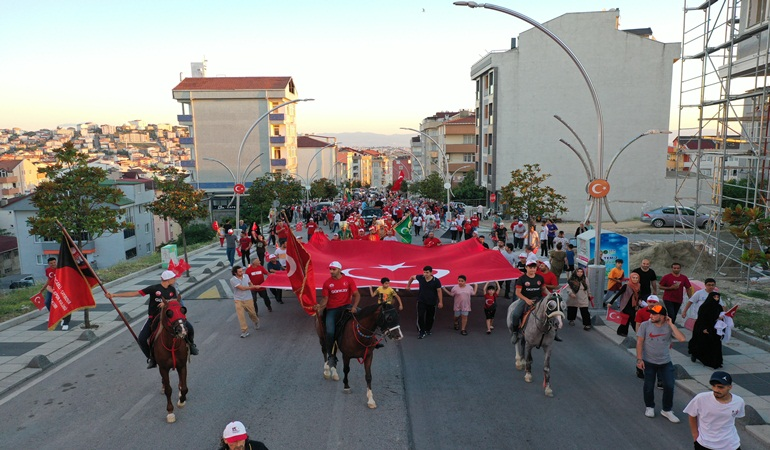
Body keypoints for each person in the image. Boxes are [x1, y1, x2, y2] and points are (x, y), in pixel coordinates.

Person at [106, 270, 198, 368]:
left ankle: (191, 345)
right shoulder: (154, 288)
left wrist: (167, 302)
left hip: (169, 318)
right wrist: (114, 295)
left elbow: (176, 301)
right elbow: (135, 293)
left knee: (190, 328)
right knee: (141, 339)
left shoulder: (172, 289)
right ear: (167, 279)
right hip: (154, 318)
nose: (175, 279)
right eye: (173, 278)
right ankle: (151, 358)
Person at [636, 303, 686, 423]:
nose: (651, 316)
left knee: (669, 385)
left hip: (665, 362)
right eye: (651, 313)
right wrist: (639, 359)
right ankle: (650, 407)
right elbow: (639, 342)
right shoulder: (645, 325)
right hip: (649, 362)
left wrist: (671, 324)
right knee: (648, 386)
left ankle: (667, 410)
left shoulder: (668, 327)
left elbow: (682, 339)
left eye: (655, 314)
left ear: (663, 316)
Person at [683, 371, 745, 450]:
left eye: (720, 387)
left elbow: (736, 416)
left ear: (730, 387)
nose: (716, 389)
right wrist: (695, 434)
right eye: (714, 386)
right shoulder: (701, 398)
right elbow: (692, 415)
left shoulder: (739, 401)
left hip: (731, 444)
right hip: (705, 444)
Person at [313, 261, 361, 361]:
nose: (331, 271)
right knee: (330, 332)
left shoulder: (348, 280)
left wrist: (355, 307)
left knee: (366, 315)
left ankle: (373, 341)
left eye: (334, 269)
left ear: (340, 269)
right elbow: (325, 299)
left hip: (347, 306)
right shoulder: (327, 283)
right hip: (333, 310)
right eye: (330, 269)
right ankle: (331, 355)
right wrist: (319, 306)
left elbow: (357, 294)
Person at [509, 255, 549, 342]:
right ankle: (515, 332)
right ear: (526, 267)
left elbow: (544, 289)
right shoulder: (522, 279)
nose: (532, 269)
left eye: (534, 267)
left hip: (539, 299)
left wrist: (551, 295)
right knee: (515, 314)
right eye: (530, 267)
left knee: (552, 312)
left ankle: (553, 333)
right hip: (525, 300)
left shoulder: (540, 278)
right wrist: (526, 300)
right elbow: (517, 293)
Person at [688, 292, 726, 369]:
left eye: (717, 297)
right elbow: (701, 319)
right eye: (714, 297)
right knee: (703, 343)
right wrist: (703, 328)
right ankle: (697, 355)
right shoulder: (704, 307)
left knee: (715, 344)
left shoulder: (718, 307)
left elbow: (720, 316)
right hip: (704, 327)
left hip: (714, 328)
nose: (716, 299)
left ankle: (715, 362)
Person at [407, 266, 443, 339]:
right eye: (424, 272)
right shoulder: (421, 277)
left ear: (431, 273)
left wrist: (440, 302)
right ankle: (421, 331)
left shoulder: (436, 281)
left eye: (427, 272)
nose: (425, 274)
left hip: (432, 302)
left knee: (430, 317)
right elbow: (412, 277)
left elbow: (439, 291)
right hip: (421, 301)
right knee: (420, 316)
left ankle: (427, 329)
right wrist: (408, 286)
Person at [230, 265, 260, 338]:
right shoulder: (233, 280)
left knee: (252, 313)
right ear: (235, 273)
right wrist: (254, 287)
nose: (242, 272)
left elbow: (250, 283)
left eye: (242, 271)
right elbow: (242, 288)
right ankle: (244, 331)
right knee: (241, 315)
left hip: (248, 298)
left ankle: (255, 321)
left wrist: (252, 285)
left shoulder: (246, 276)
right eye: (240, 271)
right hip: (238, 299)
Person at [43, 257, 72, 331]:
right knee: (47, 302)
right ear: (48, 264)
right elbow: (49, 280)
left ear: (56, 262)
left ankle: (66, 321)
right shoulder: (47, 270)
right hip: (51, 288)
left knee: (63, 304)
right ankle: (56, 315)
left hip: (61, 289)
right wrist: (43, 289)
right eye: (51, 263)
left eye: (54, 262)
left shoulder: (60, 269)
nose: (53, 264)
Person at [610, 272, 641, 337]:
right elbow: (618, 294)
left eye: (636, 278)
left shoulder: (638, 286)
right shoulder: (626, 285)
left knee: (626, 319)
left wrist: (639, 303)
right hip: (625, 305)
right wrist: (611, 302)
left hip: (633, 306)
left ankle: (621, 331)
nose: (635, 279)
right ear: (630, 278)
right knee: (633, 319)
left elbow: (638, 295)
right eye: (633, 278)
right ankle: (639, 333)